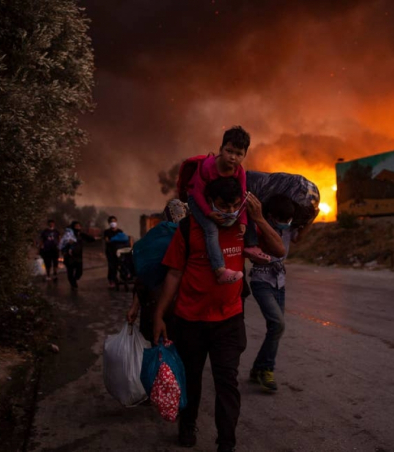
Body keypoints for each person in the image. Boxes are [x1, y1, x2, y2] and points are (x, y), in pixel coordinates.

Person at [153, 177, 286, 452]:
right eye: (224, 206)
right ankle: (187, 424)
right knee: (191, 378)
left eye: (236, 205)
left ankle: (226, 442)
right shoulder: (191, 227)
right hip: (190, 320)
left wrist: (259, 218)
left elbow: (279, 249)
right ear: (209, 202)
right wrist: (159, 315)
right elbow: (175, 273)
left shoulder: (243, 225)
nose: (230, 211)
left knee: (227, 382)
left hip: (229, 320)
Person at [187, 126, 271, 285]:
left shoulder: (239, 172)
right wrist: (208, 213)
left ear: (245, 155)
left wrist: (243, 222)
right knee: (211, 230)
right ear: (221, 149)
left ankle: (251, 246)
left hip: (222, 200)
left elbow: (243, 197)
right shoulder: (208, 167)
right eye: (229, 151)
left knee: (252, 205)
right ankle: (219, 270)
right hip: (199, 200)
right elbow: (197, 193)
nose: (233, 157)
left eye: (239, 154)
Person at [248, 195, 313, 392]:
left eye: (288, 220)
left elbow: (299, 238)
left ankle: (258, 369)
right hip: (261, 280)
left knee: (275, 328)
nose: (286, 224)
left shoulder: (288, 226)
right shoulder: (261, 228)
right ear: (270, 216)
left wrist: (311, 218)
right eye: (281, 220)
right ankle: (267, 369)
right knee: (278, 324)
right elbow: (272, 249)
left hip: (279, 281)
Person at [127, 199, 189, 341]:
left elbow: (144, 275)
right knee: (176, 354)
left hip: (152, 304)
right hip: (179, 305)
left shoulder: (153, 237)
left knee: (154, 350)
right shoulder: (187, 236)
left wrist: (135, 306)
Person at [59, 220, 96, 290]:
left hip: (78, 256)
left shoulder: (81, 235)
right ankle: (73, 284)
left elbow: (91, 239)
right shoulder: (68, 235)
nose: (78, 227)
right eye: (76, 226)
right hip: (69, 256)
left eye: (79, 226)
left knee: (79, 272)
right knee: (70, 271)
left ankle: (74, 279)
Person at [103, 215, 131, 287]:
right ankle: (112, 280)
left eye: (114, 221)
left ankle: (123, 276)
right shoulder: (107, 232)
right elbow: (107, 240)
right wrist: (113, 240)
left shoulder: (120, 231)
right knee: (112, 266)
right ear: (109, 223)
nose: (113, 223)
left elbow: (123, 239)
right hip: (110, 251)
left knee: (121, 264)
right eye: (111, 222)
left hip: (119, 251)